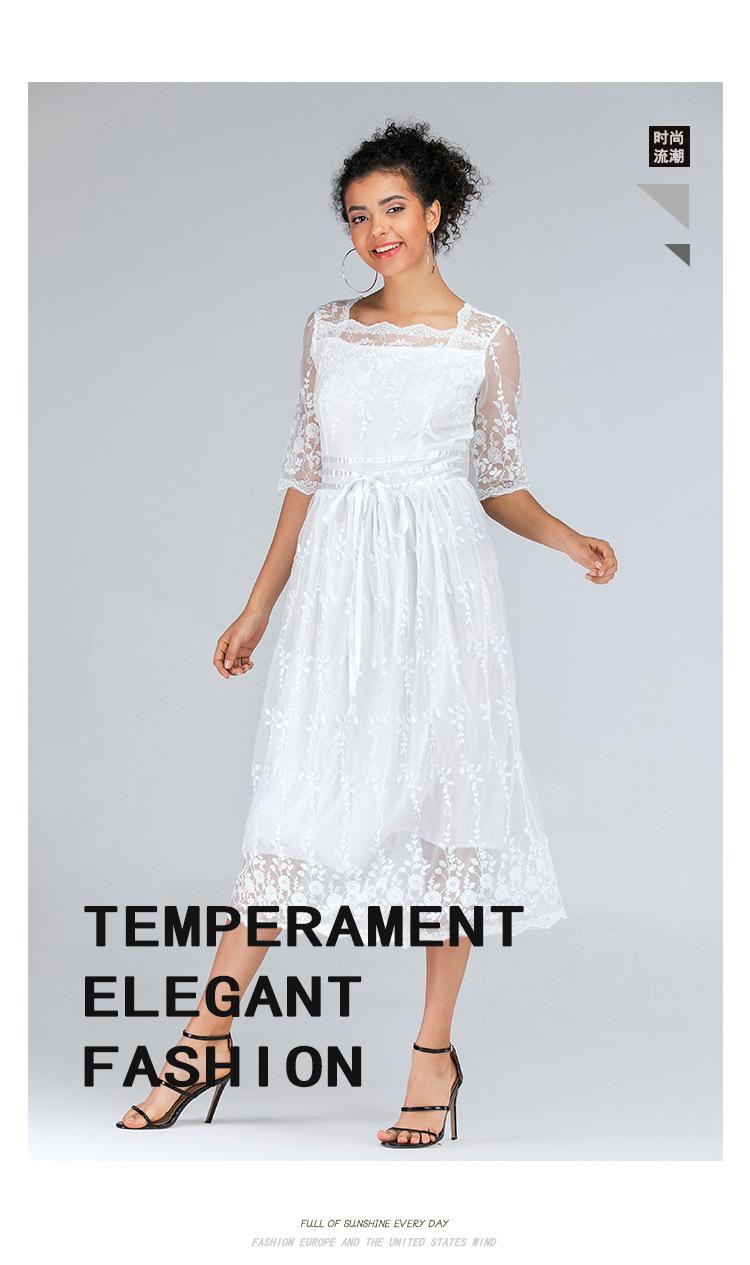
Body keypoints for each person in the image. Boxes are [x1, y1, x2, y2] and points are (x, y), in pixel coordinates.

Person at [117, 118, 617, 1146]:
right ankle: (203, 1042)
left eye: (393, 208)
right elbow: (306, 472)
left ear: (435, 211)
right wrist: (259, 603)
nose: (376, 230)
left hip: (442, 592)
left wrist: (570, 539)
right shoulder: (327, 329)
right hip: (340, 593)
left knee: (447, 814)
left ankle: (432, 1054)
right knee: (290, 813)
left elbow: (496, 483)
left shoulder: (486, 340)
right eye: (357, 216)